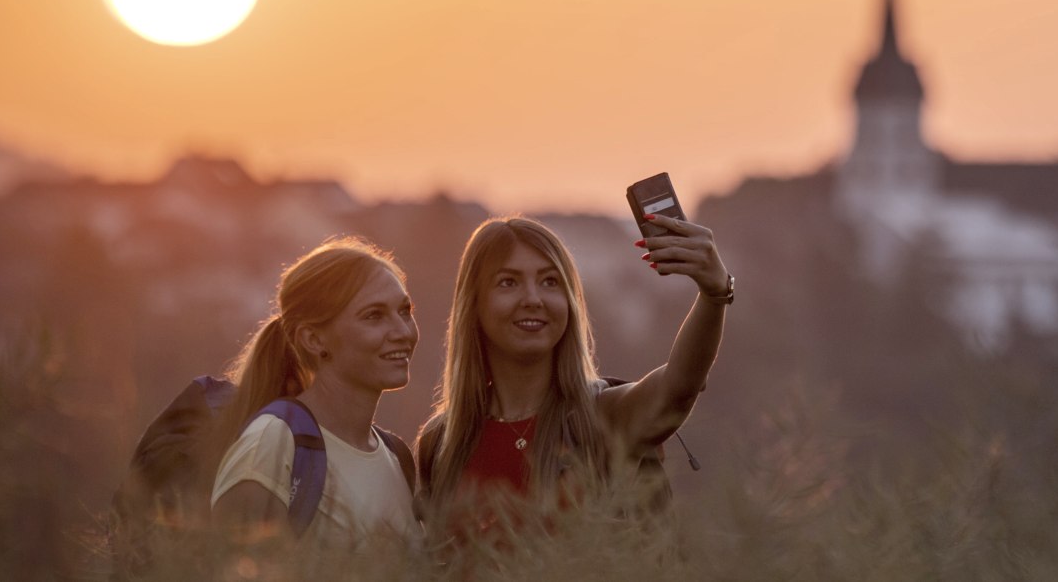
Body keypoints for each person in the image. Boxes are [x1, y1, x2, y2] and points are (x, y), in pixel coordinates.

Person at [416, 214, 731, 547]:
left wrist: (714, 294)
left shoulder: (603, 416)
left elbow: (679, 385)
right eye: (508, 282)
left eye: (550, 282)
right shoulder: (441, 443)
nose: (533, 298)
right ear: (474, 304)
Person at [208, 236, 425, 551]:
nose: (403, 332)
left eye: (404, 311)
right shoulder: (272, 443)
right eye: (374, 316)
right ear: (313, 339)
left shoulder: (397, 457)